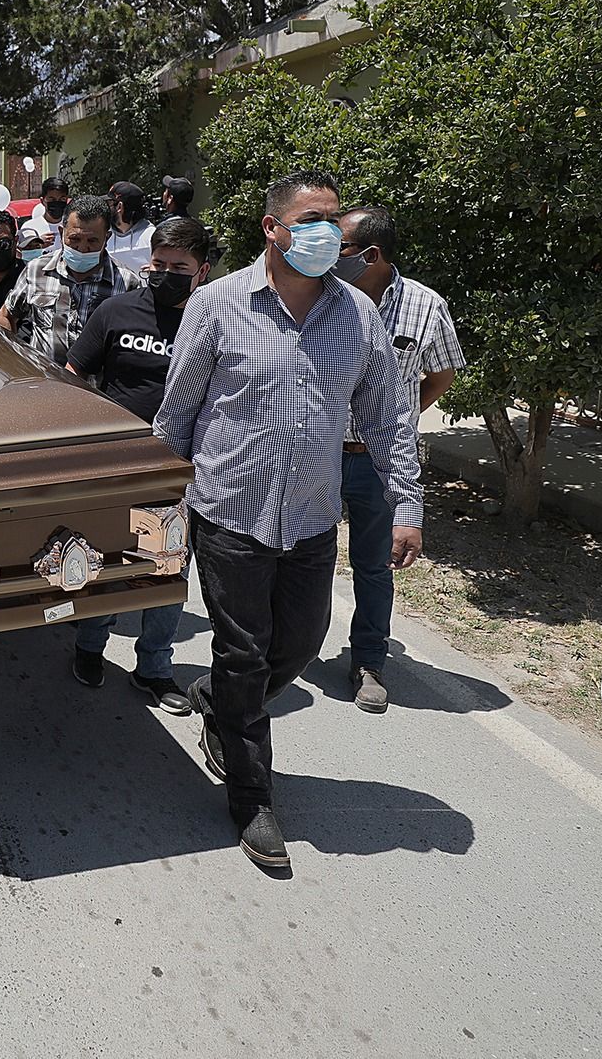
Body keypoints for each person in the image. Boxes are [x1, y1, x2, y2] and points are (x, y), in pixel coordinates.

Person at [152, 170, 421, 873]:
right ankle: (252, 794)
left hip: (308, 519)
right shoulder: (215, 305)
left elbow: (388, 419)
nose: (326, 232)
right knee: (244, 651)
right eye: (310, 218)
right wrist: (160, 508)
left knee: (299, 644)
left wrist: (407, 504)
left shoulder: (357, 317)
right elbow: (176, 415)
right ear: (272, 229)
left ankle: (221, 701)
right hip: (228, 511)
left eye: (333, 219)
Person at [65, 217, 215, 714]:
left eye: (180, 267)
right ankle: (90, 649)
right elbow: (73, 375)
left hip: (180, 470)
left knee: (166, 571)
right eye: (159, 264)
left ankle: (154, 668)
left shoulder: (213, 322)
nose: (166, 274)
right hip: (115, 463)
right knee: (102, 562)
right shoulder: (117, 310)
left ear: (202, 271)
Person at [333, 206, 464, 713]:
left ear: (371, 254)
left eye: (337, 246)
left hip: (379, 463)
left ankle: (369, 662)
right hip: (319, 452)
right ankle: (284, 651)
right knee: (301, 558)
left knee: (373, 566)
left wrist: (397, 419)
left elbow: (441, 373)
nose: (325, 254)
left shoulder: (425, 307)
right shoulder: (321, 299)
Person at [0, 194, 136, 364]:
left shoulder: (127, 284)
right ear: (62, 233)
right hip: (44, 383)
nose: (82, 248)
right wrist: (14, 360)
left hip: (96, 389)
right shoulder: (37, 270)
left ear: (106, 239)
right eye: (74, 239)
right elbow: (6, 315)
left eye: (92, 241)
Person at [106, 181, 155, 273]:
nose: (106, 209)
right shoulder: (105, 236)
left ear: (119, 207)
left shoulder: (152, 236)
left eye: (109, 204)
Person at [34, 176, 71, 242]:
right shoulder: (31, 228)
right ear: (42, 201)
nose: (57, 203)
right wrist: (37, 244)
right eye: (52, 199)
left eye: (62, 199)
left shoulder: (73, 226)